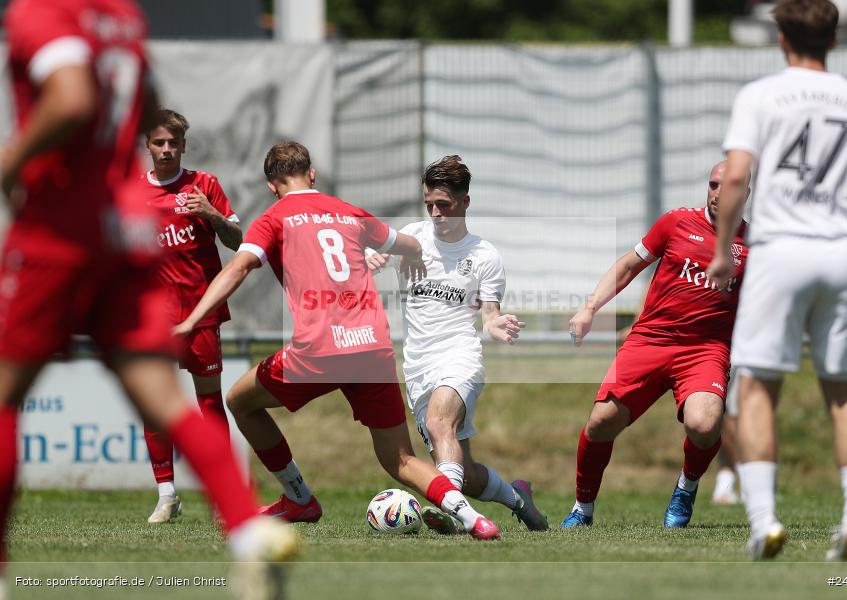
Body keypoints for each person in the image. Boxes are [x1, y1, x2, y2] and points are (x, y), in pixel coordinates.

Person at [0, 0, 297, 596]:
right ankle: (245, 528)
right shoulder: (124, 16)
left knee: (5, 394)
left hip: (63, 226)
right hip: (127, 235)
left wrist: (12, 161)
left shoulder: (39, 11)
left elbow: (71, 97)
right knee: (162, 398)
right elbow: (147, 90)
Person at [173, 141, 501, 540]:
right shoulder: (348, 212)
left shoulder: (274, 217)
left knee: (239, 401)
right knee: (401, 459)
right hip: (372, 349)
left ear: (271, 186)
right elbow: (408, 244)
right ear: (311, 174)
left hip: (319, 351)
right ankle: (474, 520)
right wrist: (413, 255)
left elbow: (238, 269)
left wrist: (192, 318)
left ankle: (298, 497)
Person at [707, 0, 847, 561]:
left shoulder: (761, 95)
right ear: (834, 41)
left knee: (759, 387)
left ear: (782, 40)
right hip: (839, 252)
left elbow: (738, 174)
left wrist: (722, 250)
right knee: (845, 390)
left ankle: (764, 521)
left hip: (778, 251)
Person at [366, 155, 548, 533]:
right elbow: (373, 251)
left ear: (465, 202)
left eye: (443, 205)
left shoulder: (484, 256)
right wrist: (375, 256)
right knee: (465, 474)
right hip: (417, 367)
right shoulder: (411, 238)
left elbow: (490, 314)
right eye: (429, 204)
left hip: (460, 356)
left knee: (438, 422)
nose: (435, 213)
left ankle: (454, 515)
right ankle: (517, 497)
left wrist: (497, 326)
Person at [562, 160, 749, 529]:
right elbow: (629, 266)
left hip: (705, 350)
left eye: (725, 187)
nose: (715, 194)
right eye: (712, 184)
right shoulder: (676, 223)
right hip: (650, 340)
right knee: (600, 423)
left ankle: (686, 488)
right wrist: (589, 309)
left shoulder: (754, 245)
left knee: (704, 423)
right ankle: (582, 509)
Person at [140, 109, 242, 524]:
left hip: (200, 312)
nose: (166, 149)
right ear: (147, 145)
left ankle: (223, 494)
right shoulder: (132, 190)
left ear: (183, 145)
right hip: (154, 318)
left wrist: (211, 215)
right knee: (154, 405)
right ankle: (167, 495)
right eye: (159, 142)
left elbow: (238, 241)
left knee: (208, 402)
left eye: (173, 143)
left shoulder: (205, 185)